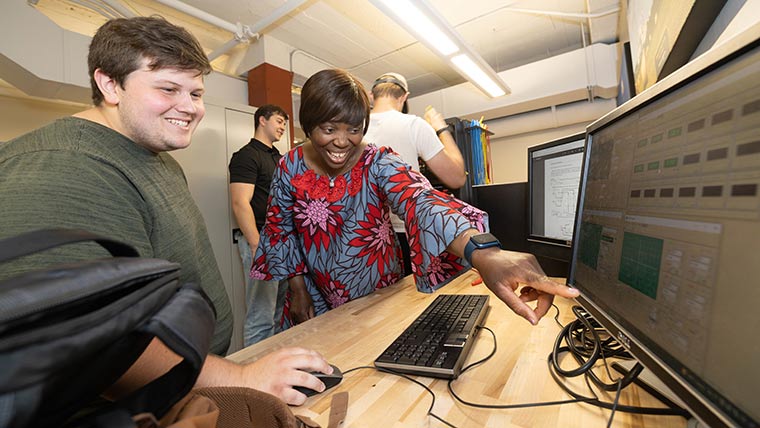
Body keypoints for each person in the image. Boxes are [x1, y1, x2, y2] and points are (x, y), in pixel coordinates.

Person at [0, 16, 331, 405]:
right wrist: (240, 377)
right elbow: (91, 342)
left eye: (196, 93)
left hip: (189, 383)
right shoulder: (61, 167)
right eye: (169, 89)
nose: (190, 107)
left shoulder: (157, 155)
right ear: (110, 84)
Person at [252, 68, 579, 328]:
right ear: (308, 125)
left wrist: (481, 251)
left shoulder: (377, 161)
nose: (342, 142)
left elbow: (420, 200)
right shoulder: (288, 166)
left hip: (378, 290)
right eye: (328, 129)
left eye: (353, 129)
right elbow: (283, 231)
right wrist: (296, 290)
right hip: (314, 293)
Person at [365, 72, 466, 275]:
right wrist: (440, 128)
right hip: (404, 234)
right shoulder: (413, 124)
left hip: (365, 237)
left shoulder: (354, 128)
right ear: (404, 97)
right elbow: (456, 177)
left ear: (370, 96)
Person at [229, 104, 290, 346]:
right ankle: (252, 372)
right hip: (261, 239)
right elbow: (239, 203)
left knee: (277, 313)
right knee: (261, 315)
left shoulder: (279, 158)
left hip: (281, 240)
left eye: (285, 123)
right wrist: (257, 245)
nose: (283, 127)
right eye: (279, 120)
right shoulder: (246, 155)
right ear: (262, 120)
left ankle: (273, 367)